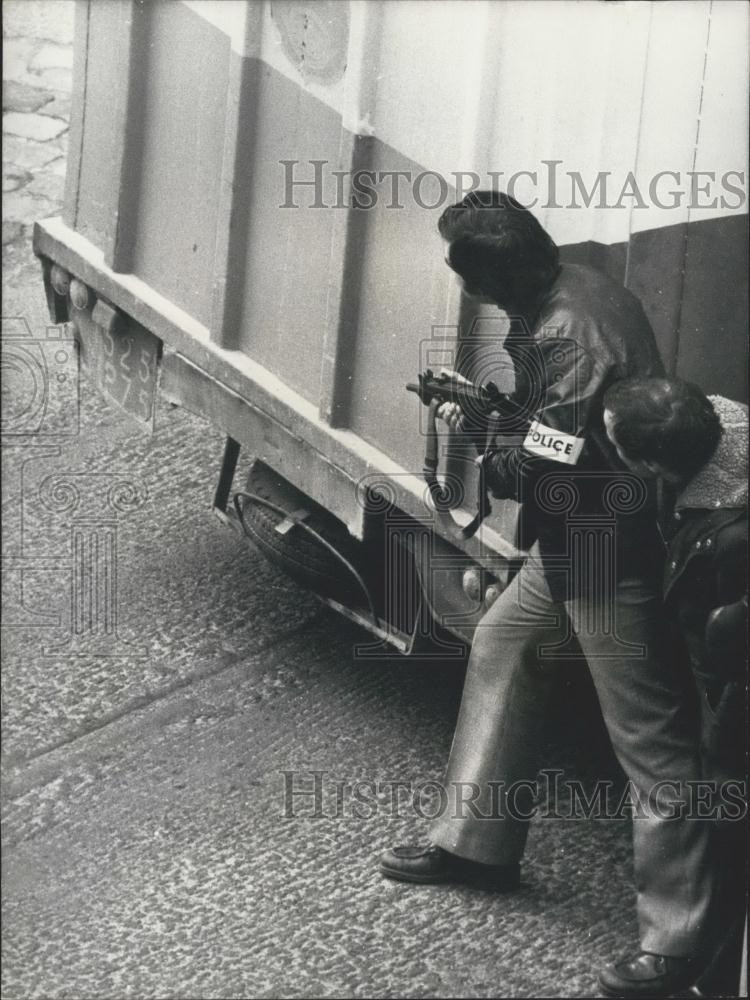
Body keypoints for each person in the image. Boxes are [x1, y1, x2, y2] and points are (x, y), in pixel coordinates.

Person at [381, 191, 717, 998]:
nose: (468, 292)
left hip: (600, 546)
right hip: (580, 535)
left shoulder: (570, 336)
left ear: (493, 274)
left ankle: (678, 941)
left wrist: (481, 441)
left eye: (469, 276)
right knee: (503, 647)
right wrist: (501, 414)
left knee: (650, 741)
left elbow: (542, 462)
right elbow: (555, 428)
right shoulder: (573, 286)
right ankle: (476, 841)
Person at [603, 378, 748, 996]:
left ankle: (715, 969)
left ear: (653, 466)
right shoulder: (727, 421)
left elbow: (715, 652)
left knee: (731, 815)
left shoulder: (722, 538)